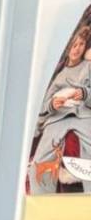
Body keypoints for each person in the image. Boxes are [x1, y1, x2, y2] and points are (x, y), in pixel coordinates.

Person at [28, 24, 91, 193]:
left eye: (81, 44)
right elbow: (44, 105)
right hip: (58, 117)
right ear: (67, 47)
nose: (77, 49)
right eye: (74, 45)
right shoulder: (58, 76)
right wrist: (52, 104)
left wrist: (85, 93)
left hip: (84, 115)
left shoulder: (88, 67)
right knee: (38, 166)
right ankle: (42, 203)